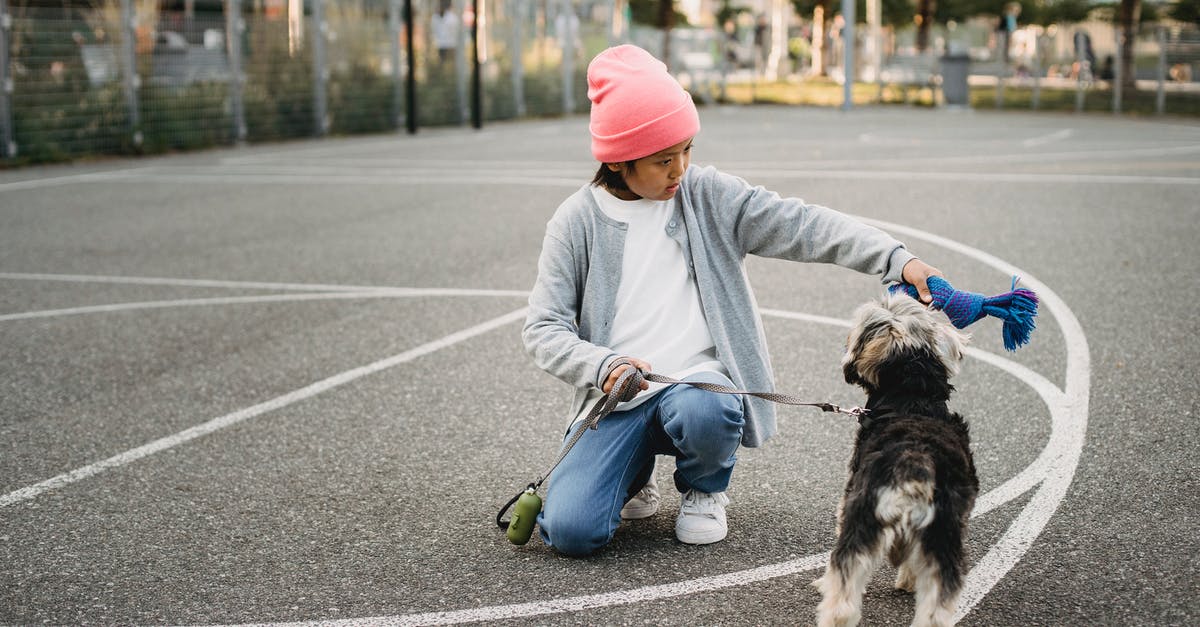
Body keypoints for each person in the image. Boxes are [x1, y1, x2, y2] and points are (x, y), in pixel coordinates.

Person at [522, 44, 942, 557]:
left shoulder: (707, 195)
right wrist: (602, 363)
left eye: (687, 150)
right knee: (570, 533)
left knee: (707, 407)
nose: (680, 169)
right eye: (662, 160)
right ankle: (632, 474)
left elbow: (804, 224)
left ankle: (704, 487)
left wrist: (898, 259)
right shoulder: (576, 221)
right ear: (618, 160)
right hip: (619, 397)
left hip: (698, 387)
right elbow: (543, 328)